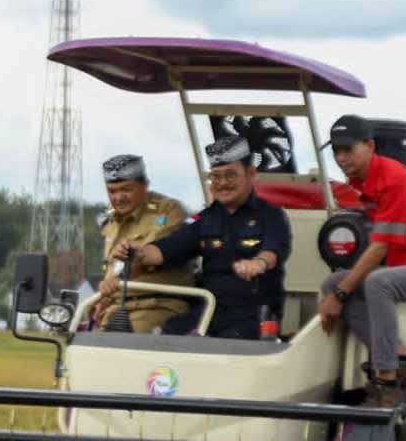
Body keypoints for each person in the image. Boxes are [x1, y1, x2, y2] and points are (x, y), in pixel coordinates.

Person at [317, 114, 406, 406]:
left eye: (348, 149)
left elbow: (380, 248)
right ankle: (401, 354)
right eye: (336, 150)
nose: (341, 157)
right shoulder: (362, 180)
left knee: (374, 283)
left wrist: (342, 294)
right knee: (330, 282)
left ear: (370, 145)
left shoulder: (394, 180)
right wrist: (337, 290)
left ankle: (386, 382)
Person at [112, 135, 291, 339]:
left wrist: (258, 263)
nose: (222, 183)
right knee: (165, 339)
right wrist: (138, 252)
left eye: (230, 175)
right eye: (216, 176)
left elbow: (273, 251)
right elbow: (166, 249)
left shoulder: (271, 216)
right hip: (208, 311)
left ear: (250, 174)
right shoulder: (204, 220)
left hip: (251, 315)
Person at [95, 154, 194, 333]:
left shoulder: (168, 211)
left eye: (126, 189)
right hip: (117, 308)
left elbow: (152, 256)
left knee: (119, 350)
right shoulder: (111, 221)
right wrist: (101, 299)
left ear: (144, 185)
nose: (118, 197)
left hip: (156, 306)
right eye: (112, 191)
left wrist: (115, 281)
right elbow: (110, 269)